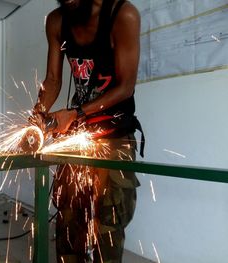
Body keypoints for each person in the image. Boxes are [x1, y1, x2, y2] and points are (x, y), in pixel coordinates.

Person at [32, 0, 144, 262]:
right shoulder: (56, 21)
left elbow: (126, 87)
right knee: (68, 218)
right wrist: (37, 114)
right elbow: (53, 79)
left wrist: (77, 112)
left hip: (115, 133)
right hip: (77, 131)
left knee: (109, 223)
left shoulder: (122, 15)